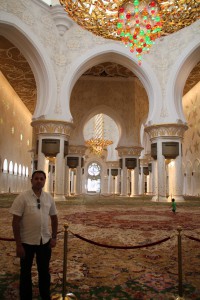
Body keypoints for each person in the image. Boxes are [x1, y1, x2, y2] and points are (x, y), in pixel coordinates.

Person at [9, 170, 58, 300]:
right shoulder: (22, 197)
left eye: (42, 179)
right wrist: (18, 245)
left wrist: (53, 237)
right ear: (31, 180)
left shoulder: (48, 198)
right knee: (25, 272)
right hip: (27, 242)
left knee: (44, 272)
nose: (39, 181)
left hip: (44, 241)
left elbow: (54, 218)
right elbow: (15, 222)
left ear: (44, 181)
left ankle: (45, 295)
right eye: (36, 178)